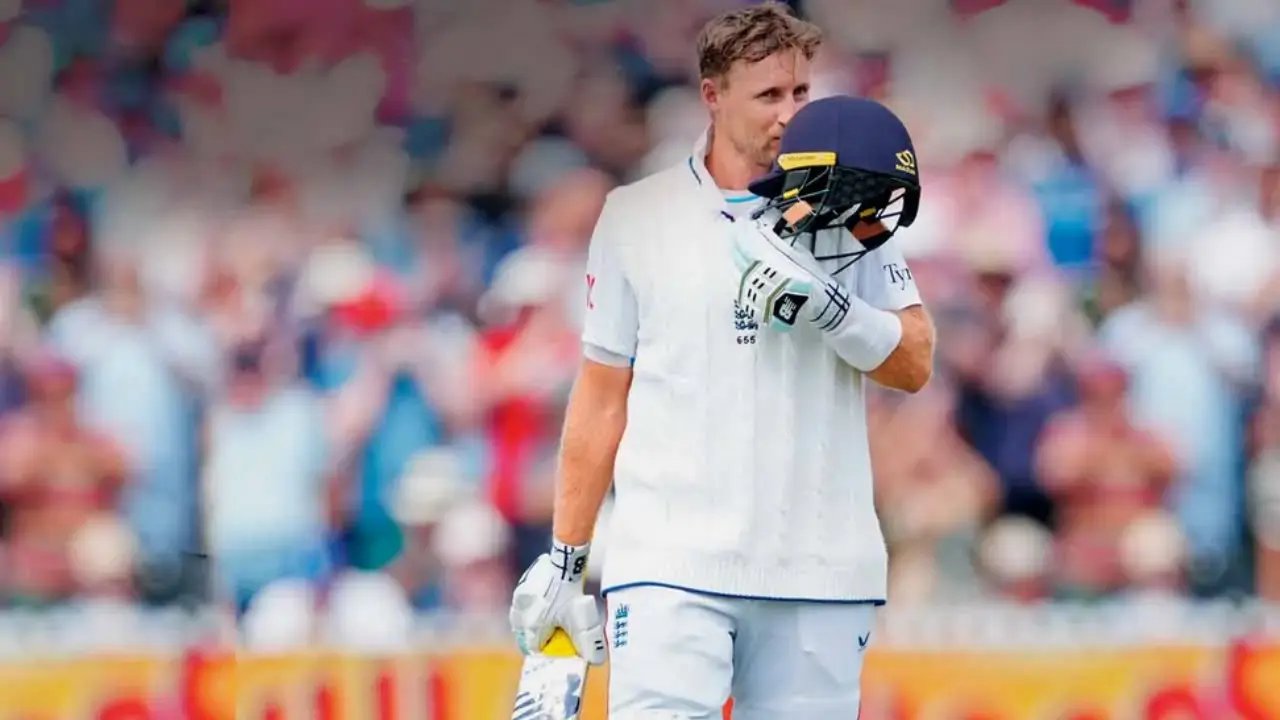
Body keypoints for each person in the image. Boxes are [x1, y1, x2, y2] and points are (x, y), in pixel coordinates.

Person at [509, 4, 936, 718]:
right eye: (769, 95)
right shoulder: (635, 217)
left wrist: (834, 311)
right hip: (670, 565)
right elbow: (601, 399)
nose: (790, 114)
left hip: (820, 569)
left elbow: (915, 362)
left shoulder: (850, 204)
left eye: (800, 92)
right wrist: (566, 559)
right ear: (712, 95)